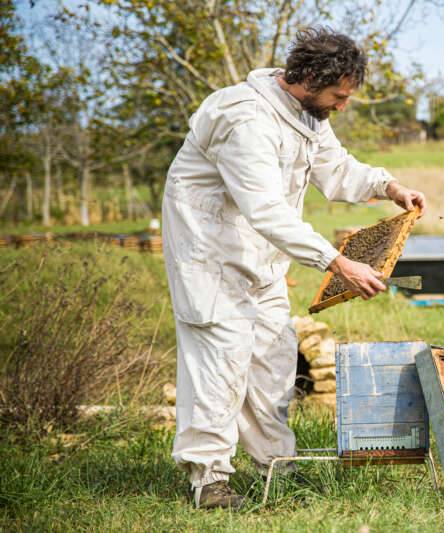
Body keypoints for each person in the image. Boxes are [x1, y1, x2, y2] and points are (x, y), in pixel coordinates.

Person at [162, 27, 426, 509]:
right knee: (218, 369)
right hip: (211, 261)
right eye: (338, 95)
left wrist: (389, 186)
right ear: (306, 78)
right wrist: (336, 261)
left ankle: (274, 469)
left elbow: (337, 168)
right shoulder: (243, 118)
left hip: (260, 261)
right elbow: (264, 208)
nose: (342, 105)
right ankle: (209, 481)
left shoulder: (306, 114)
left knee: (274, 362)